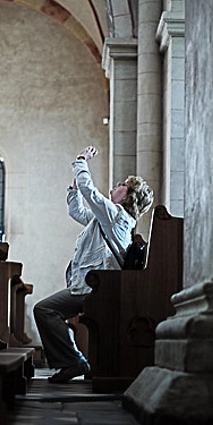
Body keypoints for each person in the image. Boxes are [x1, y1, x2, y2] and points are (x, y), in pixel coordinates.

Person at [34, 145, 154, 383]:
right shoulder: (107, 219)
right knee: (47, 310)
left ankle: (73, 361)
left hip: (95, 290)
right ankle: (73, 360)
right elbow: (77, 212)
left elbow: (91, 192)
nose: (117, 184)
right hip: (92, 286)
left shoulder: (118, 217)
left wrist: (81, 160)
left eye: (123, 185)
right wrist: (74, 187)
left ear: (127, 197)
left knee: (45, 310)